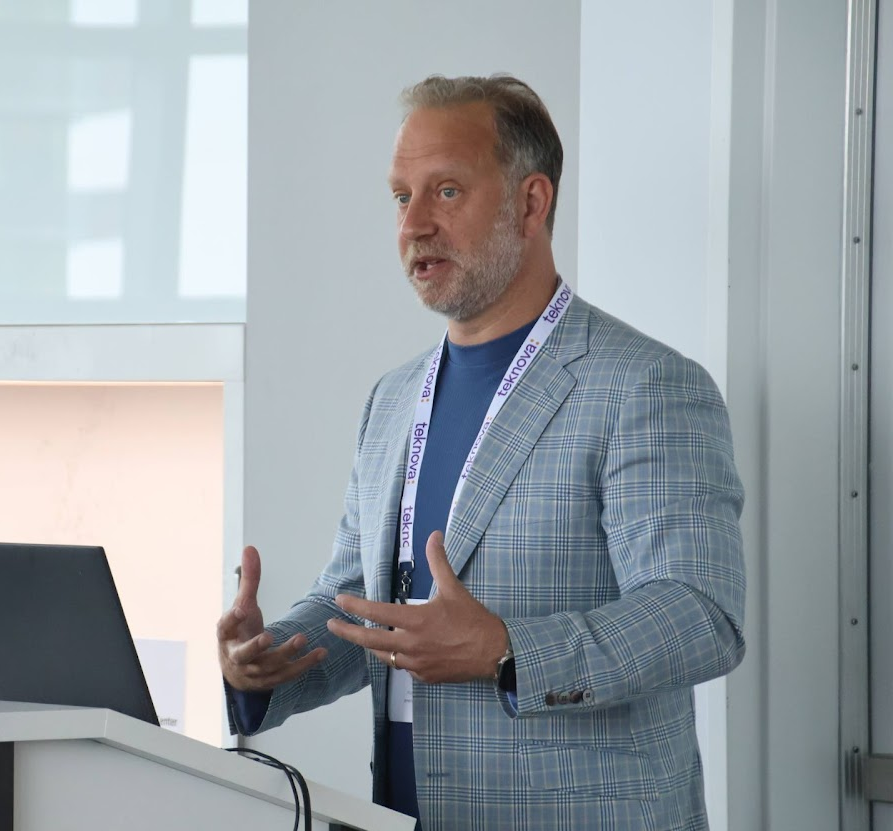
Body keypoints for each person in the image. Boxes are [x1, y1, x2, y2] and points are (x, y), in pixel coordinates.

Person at [215, 74, 746, 830]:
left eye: (448, 192)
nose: (415, 225)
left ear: (531, 203)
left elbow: (701, 613)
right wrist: (266, 661)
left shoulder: (647, 385)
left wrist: (508, 648)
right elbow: (356, 599)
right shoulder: (392, 398)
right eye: (402, 197)